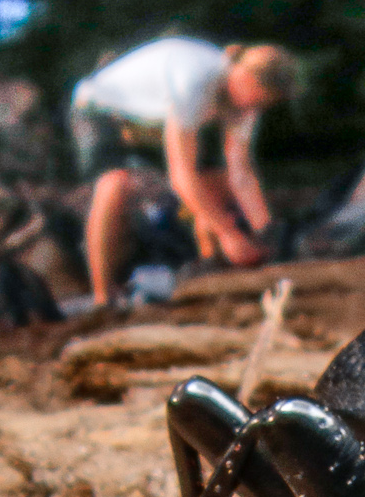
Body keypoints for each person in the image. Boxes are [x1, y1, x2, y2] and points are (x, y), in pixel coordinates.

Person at [69, 38, 296, 305]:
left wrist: (267, 232)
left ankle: (210, 266)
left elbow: (240, 174)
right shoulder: (197, 81)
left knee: (214, 181)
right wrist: (229, 234)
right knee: (114, 184)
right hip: (102, 108)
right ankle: (103, 298)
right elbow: (182, 177)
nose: (252, 109)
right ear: (244, 77)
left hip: (151, 121)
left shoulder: (245, 102)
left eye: (262, 105)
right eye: (255, 100)